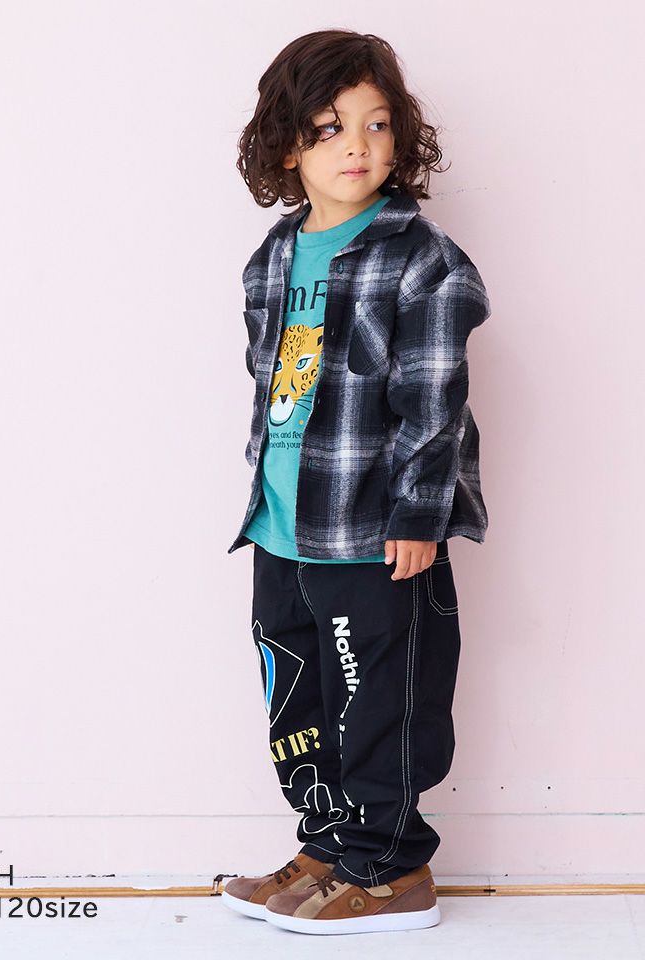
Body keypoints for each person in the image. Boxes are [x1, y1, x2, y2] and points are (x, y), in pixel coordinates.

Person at [221, 29, 491, 936]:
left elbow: (434, 400)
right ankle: (330, 844)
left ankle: (389, 867)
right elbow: (272, 390)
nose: (358, 146)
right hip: (283, 525)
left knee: (382, 701)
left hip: (376, 533)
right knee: (299, 700)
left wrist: (418, 513)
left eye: (378, 125)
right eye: (330, 127)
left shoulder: (422, 259)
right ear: (287, 146)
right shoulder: (272, 257)